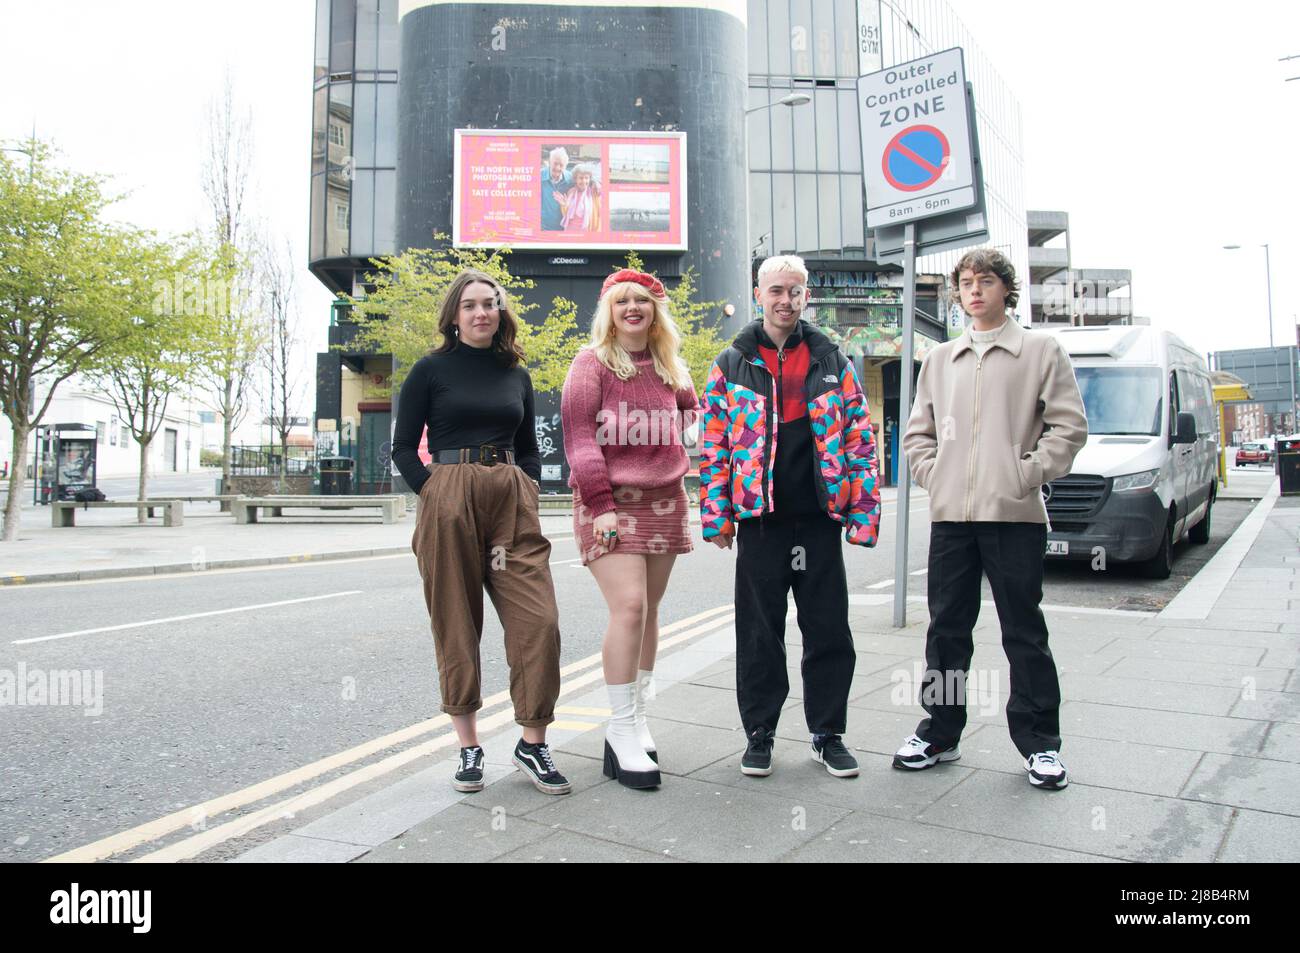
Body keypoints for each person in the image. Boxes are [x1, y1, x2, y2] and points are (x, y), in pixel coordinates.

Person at [895, 247, 1087, 790]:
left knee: (1024, 632)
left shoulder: (1040, 351)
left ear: (1006, 288)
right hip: (952, 517)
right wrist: (936, 474)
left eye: (984, 281)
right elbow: (918, 434)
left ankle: (1041, 745)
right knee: (947, 630)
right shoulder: (939, 359)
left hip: (1016, 516)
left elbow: (1069, 429)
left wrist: (1024, 475)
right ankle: (939, 733)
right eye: (965, 283)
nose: (973, 291)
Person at [699, 254, 881, 779]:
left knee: (828, 631)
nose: (786, 300)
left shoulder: (831, 359)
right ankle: (760, 734)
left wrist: (862, 512)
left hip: (819, 520)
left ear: (806, 297)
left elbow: (857, 438)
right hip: (760, 522)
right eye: (776, 290)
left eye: (795, 291)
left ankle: (828, 734)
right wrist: (718, 515)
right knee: (760, 635)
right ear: (759, 294)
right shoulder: (732, 361)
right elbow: (715, 445)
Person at [391, 269, 571, 796]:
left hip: (510, 499)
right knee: (456, 622)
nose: (480, 313)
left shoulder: (515, 372)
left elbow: (530, 446)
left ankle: (532, 743)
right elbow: (403, 446)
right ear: (454, 315)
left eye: (489, 304)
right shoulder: (430, 370)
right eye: (469, 305)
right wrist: (434, 491)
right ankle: (469, 745)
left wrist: (527, 486)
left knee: (539, 621)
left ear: (501, 311)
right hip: (450, 496)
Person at [561, 269, 698, 790]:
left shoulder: (670, 367)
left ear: (655, 311)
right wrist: (600, 504)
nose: (633, 308)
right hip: (610, 503)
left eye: (642, 300)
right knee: (631, 606)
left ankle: (638, 717)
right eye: (623, 302)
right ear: (610, 312)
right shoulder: (590, 364)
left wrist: (687, 432)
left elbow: (693, 416)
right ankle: (619, 729)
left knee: (651, 611)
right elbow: (578, 440)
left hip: (666, 500)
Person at [558, 163, 601, 233]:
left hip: (587, 232)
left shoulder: (594, 192)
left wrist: (596, 183)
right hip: (570, 230)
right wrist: (563, 205)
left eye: (586, 178)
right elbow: (565, 213)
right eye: (581, 178)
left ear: (590, 179)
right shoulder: (571, 192)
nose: (584, 181)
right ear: (575, 179)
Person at [540, 147, 572, 231]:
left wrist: (595, 182)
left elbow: (586, 178)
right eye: (555, 163)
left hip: (564, 229)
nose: (557, 168)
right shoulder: (539, 175)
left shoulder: (571, 178)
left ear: (565, 166)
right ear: (550, 162)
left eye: (561, 165)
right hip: (544, 228)